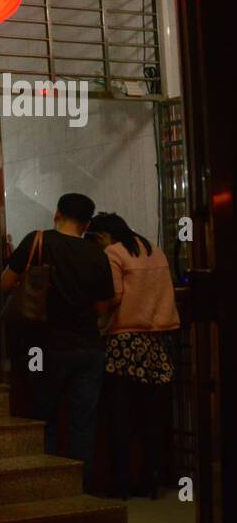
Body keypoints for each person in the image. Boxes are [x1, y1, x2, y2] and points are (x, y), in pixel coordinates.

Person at [0, 193, 115, 484]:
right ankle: (80, 487)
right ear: (87, 223)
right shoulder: (97, 254)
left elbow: (5, 282)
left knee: (44, 416)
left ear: (57, 214)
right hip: (88, 348)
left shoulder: (38, 241)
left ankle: (49, 485)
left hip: (42, 348)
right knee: (83, 422)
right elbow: (103, 306)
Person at [85, 213, 180, 499]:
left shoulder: (114, 252)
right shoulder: (154, 249)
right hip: (156, 340)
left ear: (102, 236)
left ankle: (121, 481)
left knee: (120, 415)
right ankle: (151, 479)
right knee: (151, 415)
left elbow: (112, 296)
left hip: (125, 340)